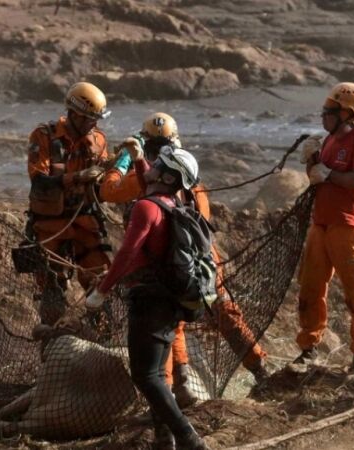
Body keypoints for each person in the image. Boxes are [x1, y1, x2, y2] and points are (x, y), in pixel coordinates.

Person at [100, 113, 269, 407]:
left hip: (167, 263)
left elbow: (107, 190)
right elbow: (202, 221)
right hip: (204, 262)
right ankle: (259, 369)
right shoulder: (191, 178)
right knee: (225, 312)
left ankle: (175, 390)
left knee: (169, 325)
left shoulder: (144, 180)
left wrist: (123, 162)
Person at [87, 147, 209, 449]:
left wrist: (102, 291)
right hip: (169, 301)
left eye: (158, 164)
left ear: (167, 176)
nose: (151, 166)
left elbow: (127, 253)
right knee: (157, 374)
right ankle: (164, 438)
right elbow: (149, 184)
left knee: (146, 377)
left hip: (149, 303)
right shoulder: (171, 203)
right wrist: (138, 157)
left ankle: (189, 439)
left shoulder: (146, 208)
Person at [294, 82, 354, 375]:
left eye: (329, 110)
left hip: (348, 227)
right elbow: (318, 179)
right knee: (311, 288)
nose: (323, 115)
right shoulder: (328, 140)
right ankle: (309, 348)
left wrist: (328, 173)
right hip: (321, 224)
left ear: (348, 113)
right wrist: (312, 162)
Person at [26, 81, 112, 326]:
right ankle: (52, 337)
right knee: (52, 289)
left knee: (101, 282)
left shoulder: (98, 141)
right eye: (90, 119)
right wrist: (77, 177)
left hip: (85, 223)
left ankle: (101, 334)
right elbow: (39, 181)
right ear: (74, 114)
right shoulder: (44, 136)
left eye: (96, 120)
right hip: (50, 225)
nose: (93, 124)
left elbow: (103, 187)